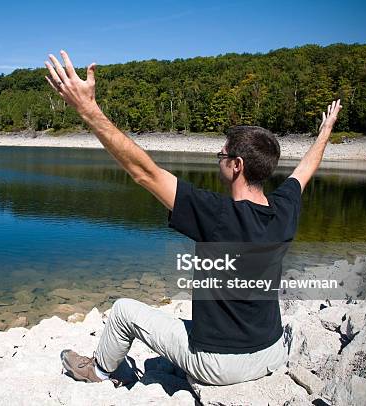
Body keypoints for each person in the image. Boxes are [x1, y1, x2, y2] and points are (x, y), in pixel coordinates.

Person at [44, 50, 342, 386]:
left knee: (124, 311)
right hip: (271, 353)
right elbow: (304, 170)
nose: (219, 160)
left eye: (222, 155)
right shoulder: (284, 209)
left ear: (237, 165)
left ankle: (97, 372)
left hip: (218, 365)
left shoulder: (215, 214)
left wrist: (88, 110)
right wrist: (325, 131)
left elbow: (144, 172)